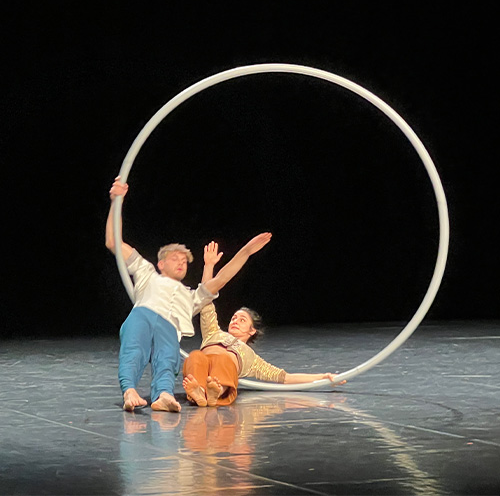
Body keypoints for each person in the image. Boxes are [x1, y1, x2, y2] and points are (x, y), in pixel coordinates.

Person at [106, 176, 272, 412]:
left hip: (169, 327)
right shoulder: (146, 272)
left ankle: (163, 395)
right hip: (144, 314)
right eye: (175, 258)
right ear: (161, 264)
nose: (181, 263)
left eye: (184, 261)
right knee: (135, 349)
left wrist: (245, 252)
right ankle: (129, 391)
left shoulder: (192, 297)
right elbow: (113, 242)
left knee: (168, 358)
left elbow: (221, 279)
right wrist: (116, 202)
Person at [182, 243, 345, 407]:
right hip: (204, 374)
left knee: (224, 360)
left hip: (220, 377)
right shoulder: (213, 332)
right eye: (234, 318)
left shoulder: (252, 359)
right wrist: (209, 266)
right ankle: (200, 393)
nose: (235, 321)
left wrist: (323, 377)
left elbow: (285, 378)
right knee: (195, 356)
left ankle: (216, 392)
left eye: (242, 320)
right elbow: (206, 298)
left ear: (252, 331)